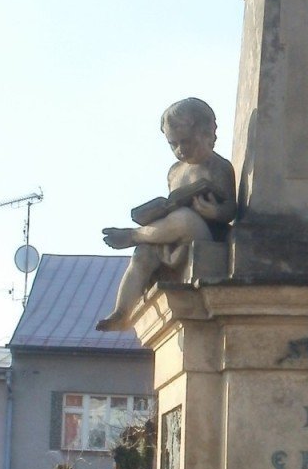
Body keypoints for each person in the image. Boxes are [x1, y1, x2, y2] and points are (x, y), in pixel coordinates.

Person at [96, 98, 237, 331]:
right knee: (142, 255)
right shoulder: (175, 172)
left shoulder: (218, 167)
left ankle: (134, 234)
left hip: (204, 238)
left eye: (187, 142)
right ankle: (122, 312)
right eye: (174, 144)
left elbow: (231, 209)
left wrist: (215, 211)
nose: (181, 150)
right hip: (172, 239)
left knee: (184, 218)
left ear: (208, 133)